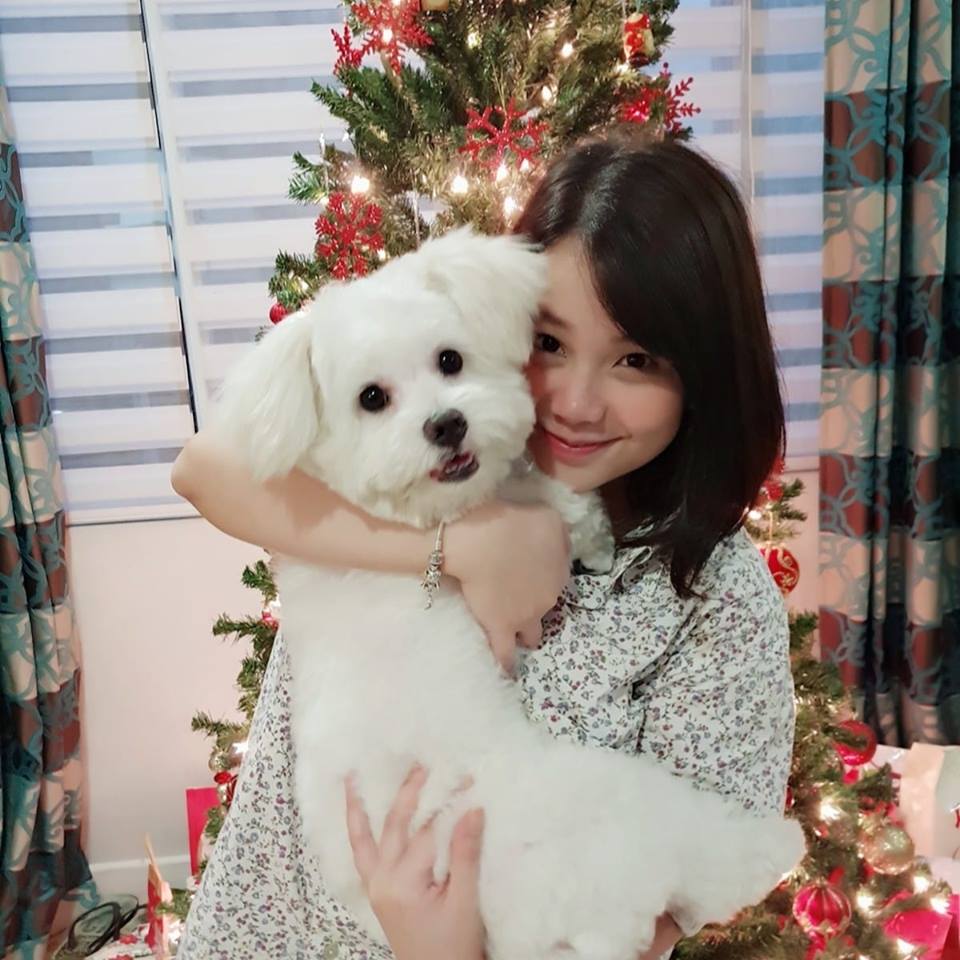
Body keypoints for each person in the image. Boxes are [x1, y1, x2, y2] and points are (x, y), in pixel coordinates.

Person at [171, 133, 796, 960]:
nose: (576, 403)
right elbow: (205, 468)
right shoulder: (411, 472)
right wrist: (459, 545)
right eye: (549, 344)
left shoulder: (714, 599)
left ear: (704, 373)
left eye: (637, 360)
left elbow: (646, 923)